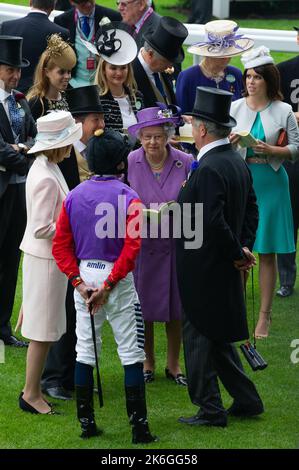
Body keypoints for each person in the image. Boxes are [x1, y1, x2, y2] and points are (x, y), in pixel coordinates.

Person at [52, 128, 157, 444]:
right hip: (117, 279)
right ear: (120, 163)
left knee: (85, 349)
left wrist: (80, 284)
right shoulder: (130, 197)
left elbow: (60, 245)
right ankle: (139, 428)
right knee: (131, 352)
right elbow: (133, 246)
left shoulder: (73, 195)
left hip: (85, 275)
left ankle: (86, 424)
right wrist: (110, 284)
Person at [176, 86, 264, 427]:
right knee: (216, 337)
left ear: (201, 129)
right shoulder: (233, 162)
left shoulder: (210, 167)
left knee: (198, 335)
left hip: (205, 268)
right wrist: (244, 248)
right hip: (223, 264)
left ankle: (210, 409)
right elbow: (251, 209)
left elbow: (211, 221)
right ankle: (246, 399)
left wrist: (235, 252)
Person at [41, 85, 105, 400]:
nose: (100, 126)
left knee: (76, 311)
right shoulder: (61, 156)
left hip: (86, 241)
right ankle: (52, 377)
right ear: (79, 123)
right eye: (95, 119)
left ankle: (68, 375)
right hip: (63, 243)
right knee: (61, 309)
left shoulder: (95, 149)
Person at [230, 46, 299, 338]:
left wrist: (271, 149)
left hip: (271, 182)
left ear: (269, 79)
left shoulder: (283, 110)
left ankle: (264, 317)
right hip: (243, 182)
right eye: (248, 76)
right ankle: (233, 310)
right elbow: (222, 145)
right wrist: (233, 141)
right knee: (238, 250)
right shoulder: (235, 107)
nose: (251, 82)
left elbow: (295, 149)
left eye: (257, 77)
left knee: (267, 253)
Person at [18, 110, 82, 414]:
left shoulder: (46, 166)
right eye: (68, 142)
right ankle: (31, 393)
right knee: (42, 333)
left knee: (45, 329)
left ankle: (31, 389)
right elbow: (42, 228)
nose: (71, 148)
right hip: (45, 261)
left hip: (46, 261)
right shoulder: (44, 175)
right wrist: (73, 224)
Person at [127, 105, 193, 385]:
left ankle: (174, 364)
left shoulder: (186, 161)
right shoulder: (131, 160)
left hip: (174, 245)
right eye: (147, 137)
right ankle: (148, 361)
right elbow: (123, 199)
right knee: (145, 307)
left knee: (174, 308)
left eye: (158, 136)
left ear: (168, 134)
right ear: (140, 137)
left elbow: (194, 202)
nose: (152, 142)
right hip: (142, 246)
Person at [0, 36, 36, 348]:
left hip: (19, 192)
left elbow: (36, 137)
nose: (14, 76)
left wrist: (21, 150)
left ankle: (3, 327)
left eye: (17, 70)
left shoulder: (21, 101)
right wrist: (21, 156)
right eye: (9, 69)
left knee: (12, 260)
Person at [176, 20, 253, 115]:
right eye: (220, 56)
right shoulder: (188, 77)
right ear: (207, 54)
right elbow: (182, 116)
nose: (226, 58)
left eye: (229, 54)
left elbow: (244, 109)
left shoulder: (236, 74)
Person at [0, 0, 70, 94]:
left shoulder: (7, 26)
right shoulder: (61, 33)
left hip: (11, 89)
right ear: (53, 6)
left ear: (30, 2)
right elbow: (64, 66)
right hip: (43, 93)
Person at [84, 23, 142, 134]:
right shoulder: (97, 100)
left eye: (123, 68)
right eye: (113, 68)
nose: (119, 73)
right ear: (104, 70)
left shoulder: (137, 96)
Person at [276, 27, 299, 298]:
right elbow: (271, 108)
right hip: (290, 153)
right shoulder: (282, 71)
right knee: (288, 217)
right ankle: (286, 279)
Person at [54, 0, 121, 87]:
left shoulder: (113, 17)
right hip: (74, 84)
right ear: (71, 2)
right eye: (83, 2)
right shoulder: (61, 21)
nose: (89, 4)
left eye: (91, 0)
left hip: (105, 84)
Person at [132, 16, 188, 108]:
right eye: (166, 62)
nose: (170, 67)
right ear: (150, 54)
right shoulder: (131, 73)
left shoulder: (162, 71)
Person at [27, 34, 77, 121]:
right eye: (61, 72)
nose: (67, 76)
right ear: (46, 72)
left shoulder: (69, 97)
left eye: (69, 72)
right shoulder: (37, 103)